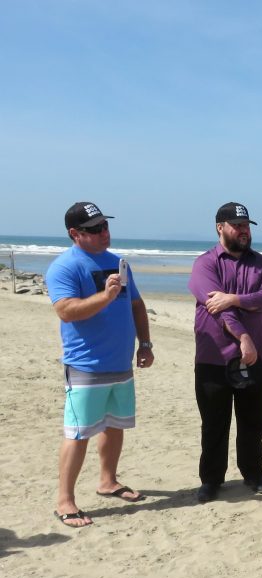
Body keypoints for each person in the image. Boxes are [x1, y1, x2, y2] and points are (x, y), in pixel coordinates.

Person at [45, 202, 154, 527]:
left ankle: (108, 480)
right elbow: (65, 310)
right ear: (75, 234)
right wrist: (105, 297)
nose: (104, 232)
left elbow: (136, 304)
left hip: (120, 362)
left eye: (105, 225)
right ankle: (65, 500)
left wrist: (145, 344)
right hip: (86, 365)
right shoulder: (64, 267)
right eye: (95, 229)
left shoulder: (117, 263)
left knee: (115, 424)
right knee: (78, 432)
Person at [188, 202, 262, 503]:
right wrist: (243, 335)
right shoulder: (205, 264)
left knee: (253, 422)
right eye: (237, 225)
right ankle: (211, 480)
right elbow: (214, 307)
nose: (243, 230)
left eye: (246, 225)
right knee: (214, 423)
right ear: (220, 227)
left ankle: (253, 474)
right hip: (214, 357)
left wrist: (233, 298)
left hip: (256, 358)